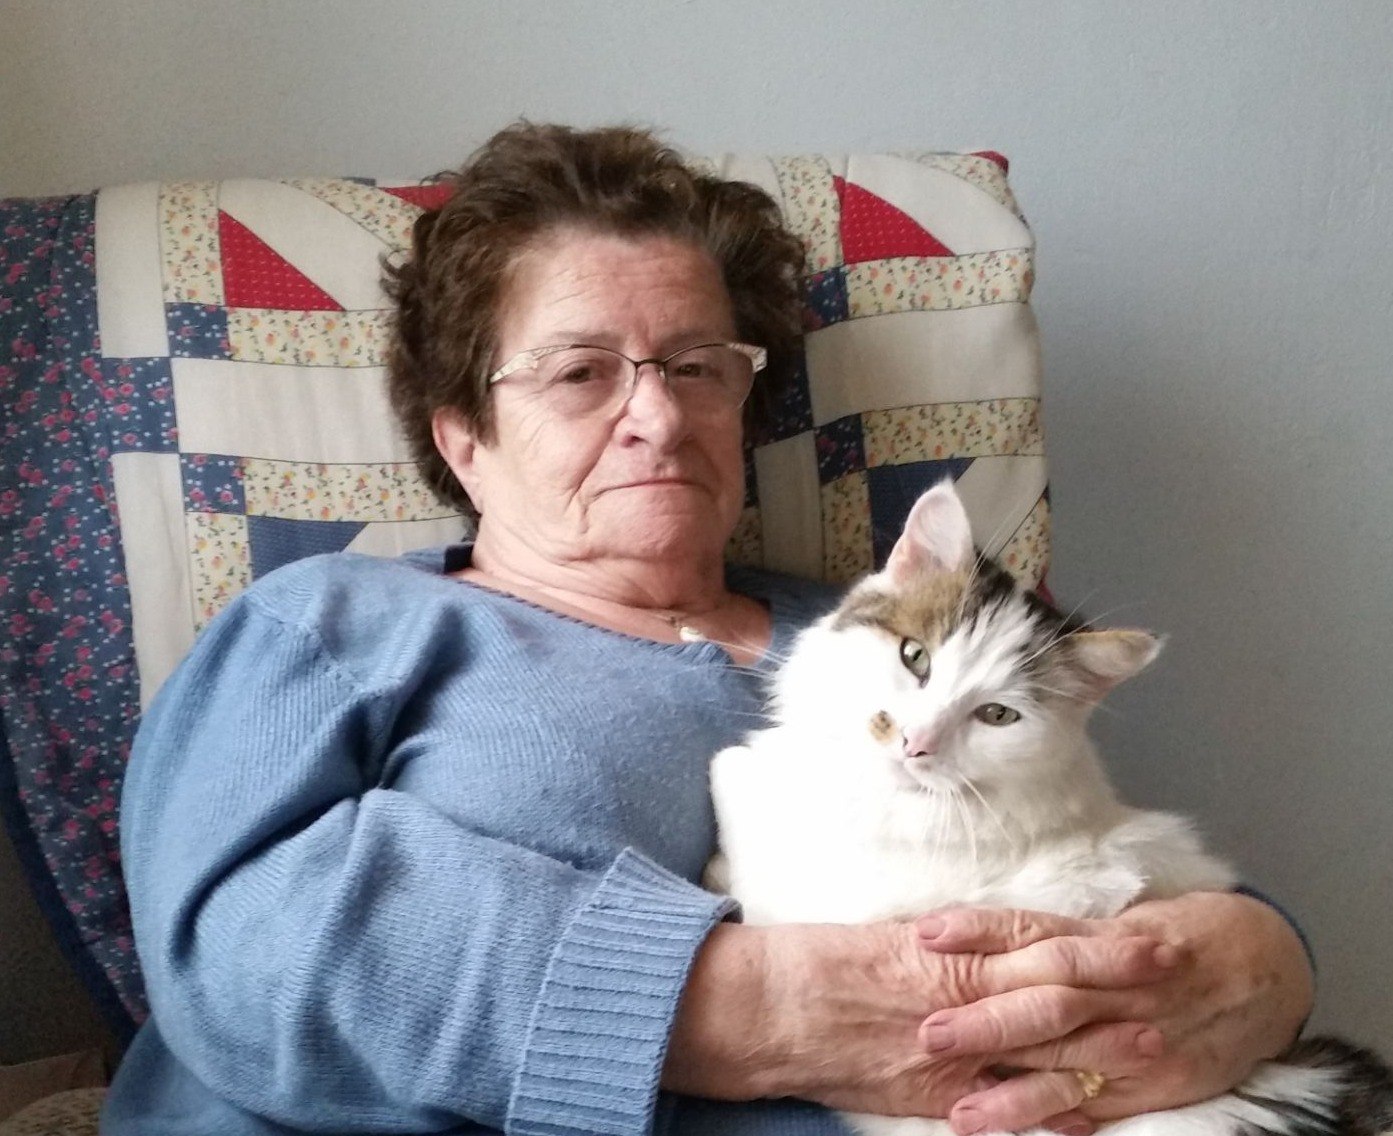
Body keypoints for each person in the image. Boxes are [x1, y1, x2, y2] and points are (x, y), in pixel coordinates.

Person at [102, 124, 1313, 1135]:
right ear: (463, 437)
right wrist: (748, 1005)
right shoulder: (336, 621)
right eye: (580, 372)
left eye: (696, 367)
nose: (658, 418)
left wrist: (1264, 961)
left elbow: (1082, 841)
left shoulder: (893, 636)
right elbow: (233, 940)